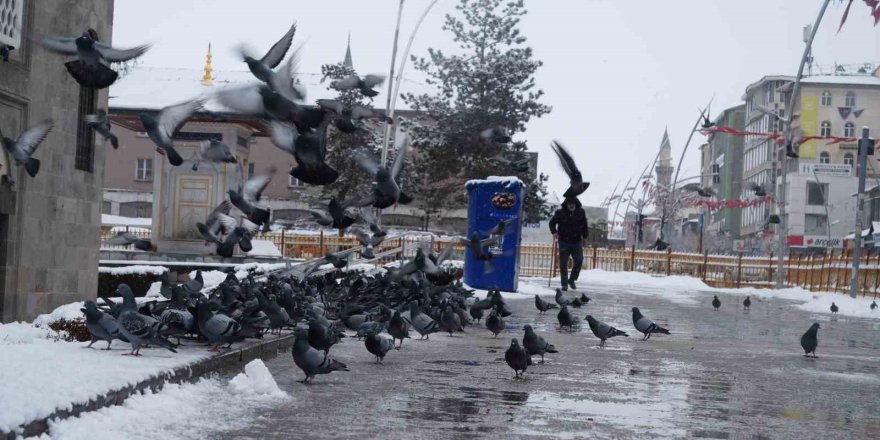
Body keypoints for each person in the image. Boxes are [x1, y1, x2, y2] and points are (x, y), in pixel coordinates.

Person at [549, 196, 589, 291]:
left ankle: (571, 280)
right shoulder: (560, 212)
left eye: (573, 204)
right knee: (563, 263)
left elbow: (584, 225)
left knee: (579, 261)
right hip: (564, 241)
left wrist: (585, 236)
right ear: (566, 204)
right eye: (569, 204)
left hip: (576, 241)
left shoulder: (581, 212)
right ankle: (564, 284)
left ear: (576, 204)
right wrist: (554, 232)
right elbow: (551, 223)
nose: (571, 205)